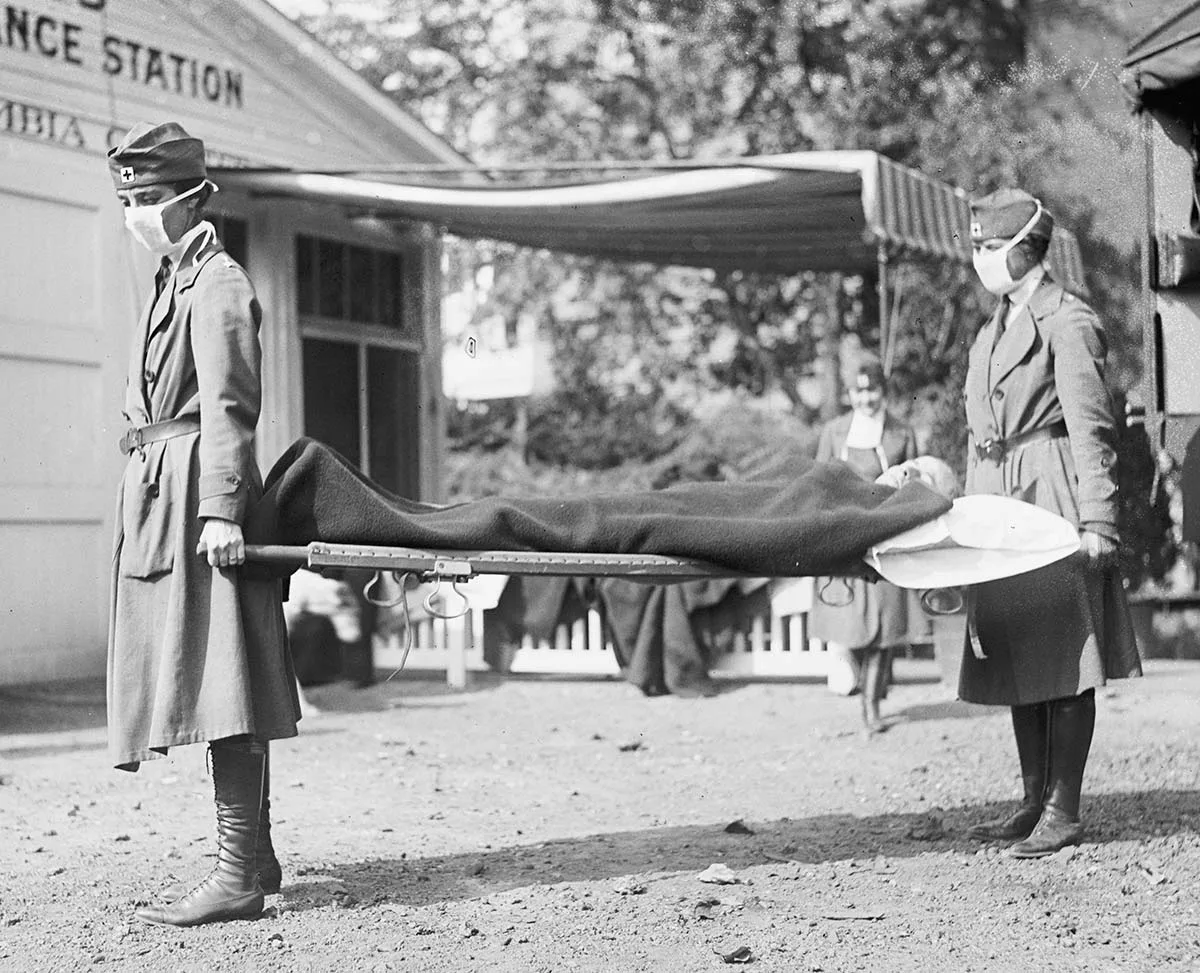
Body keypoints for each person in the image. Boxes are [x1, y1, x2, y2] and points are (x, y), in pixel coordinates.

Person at [105, 122, 301, 925]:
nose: (137, 212)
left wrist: (222, 507)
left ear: (193, 198)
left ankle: (236, 878)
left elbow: (229, 405)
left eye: (149, 198)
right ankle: (254, 857)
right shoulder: (171, 278)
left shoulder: (216, 281)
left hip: (197, 496)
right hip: (161, 493)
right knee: (211, 676)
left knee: (225, 683)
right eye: (126, 199)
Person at [960, 188, 1141, 858]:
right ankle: (1033, 799)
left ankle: (1063, 810)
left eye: (988, 247)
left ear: (1024, 250)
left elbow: (1093, 425)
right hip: (998, 497)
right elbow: (979, 427)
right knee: (1015, 654)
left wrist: (1099, 519)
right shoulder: (994, 325)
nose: (978, 258)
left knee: (1064, 657)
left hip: (1052, 495)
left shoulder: (1068, 319)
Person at [808, 358, 919, 734]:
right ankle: (861, 685)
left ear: (884, 393)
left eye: (873, 391)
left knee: (885, 625)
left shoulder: (901, 433)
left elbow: (916, 485)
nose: (867, 399)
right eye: (859, 391)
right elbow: (817, 483)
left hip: (886, 535)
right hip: (844, 537)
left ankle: (871, 708)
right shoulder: (835, 432)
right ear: (850, 394)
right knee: (850, 621)